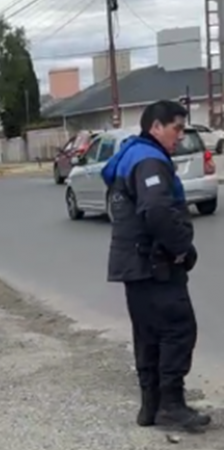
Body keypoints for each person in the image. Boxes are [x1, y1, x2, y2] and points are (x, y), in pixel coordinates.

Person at [101, 100, 210, 430]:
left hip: (133, 265)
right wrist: (183, 248)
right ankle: (172, 405)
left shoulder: (130, 156)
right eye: (176, 128)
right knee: (178, 331)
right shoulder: (150, 160)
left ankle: (150, 407)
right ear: (156, 127)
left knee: (148, 335)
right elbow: (158, 212)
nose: (179, 136)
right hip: (155, 264)